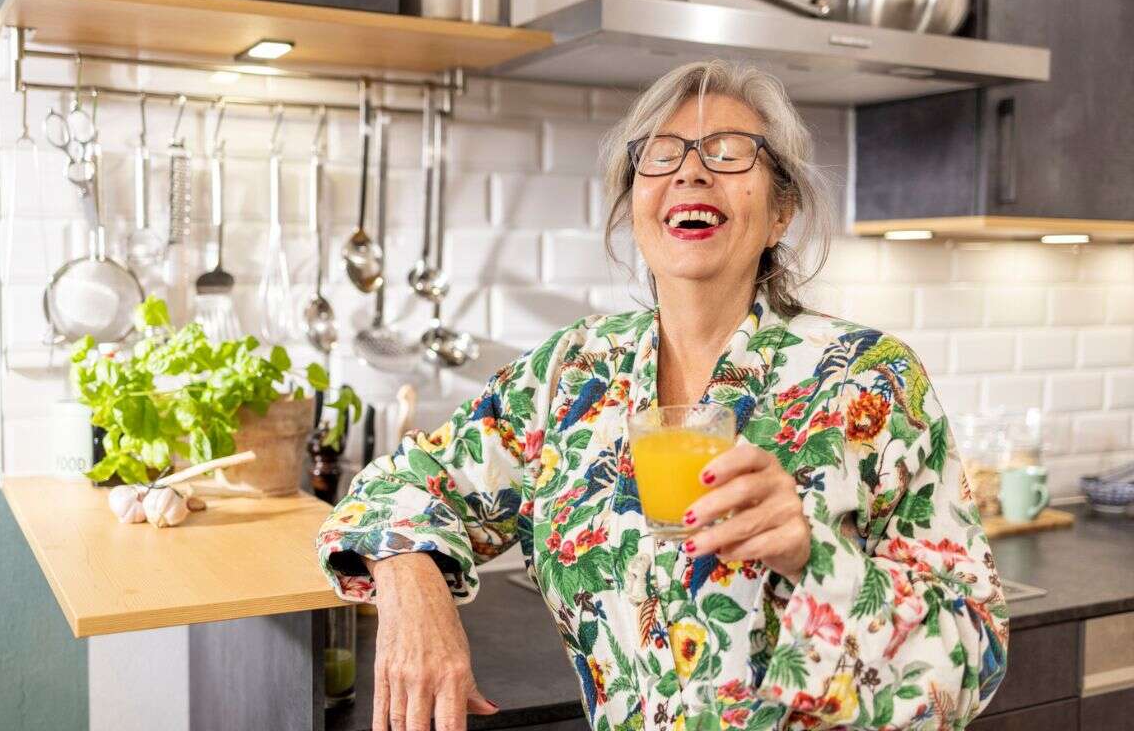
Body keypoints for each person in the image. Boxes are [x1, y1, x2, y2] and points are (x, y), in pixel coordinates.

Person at [315, 59, 1008, 731]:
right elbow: (400, 485)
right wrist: (411, 584)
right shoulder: (571, 376)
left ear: (780, 213)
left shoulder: (869, 381)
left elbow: (972, 658)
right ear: (634, 205)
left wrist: (813, 555)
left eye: (732, 152)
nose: (691, 170)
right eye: (660, 153)